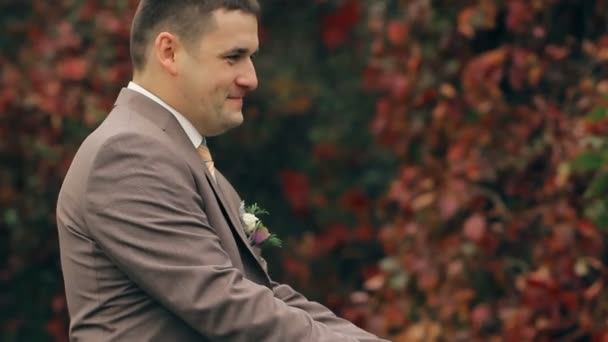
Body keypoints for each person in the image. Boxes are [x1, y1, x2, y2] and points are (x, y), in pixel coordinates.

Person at [56, 1, 389, 341]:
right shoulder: (127, 156)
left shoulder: (180, 156)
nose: (251, 78)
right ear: (169, 52)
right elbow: (226, 303)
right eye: (233, 57)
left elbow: (265, 293)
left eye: (251, 57)